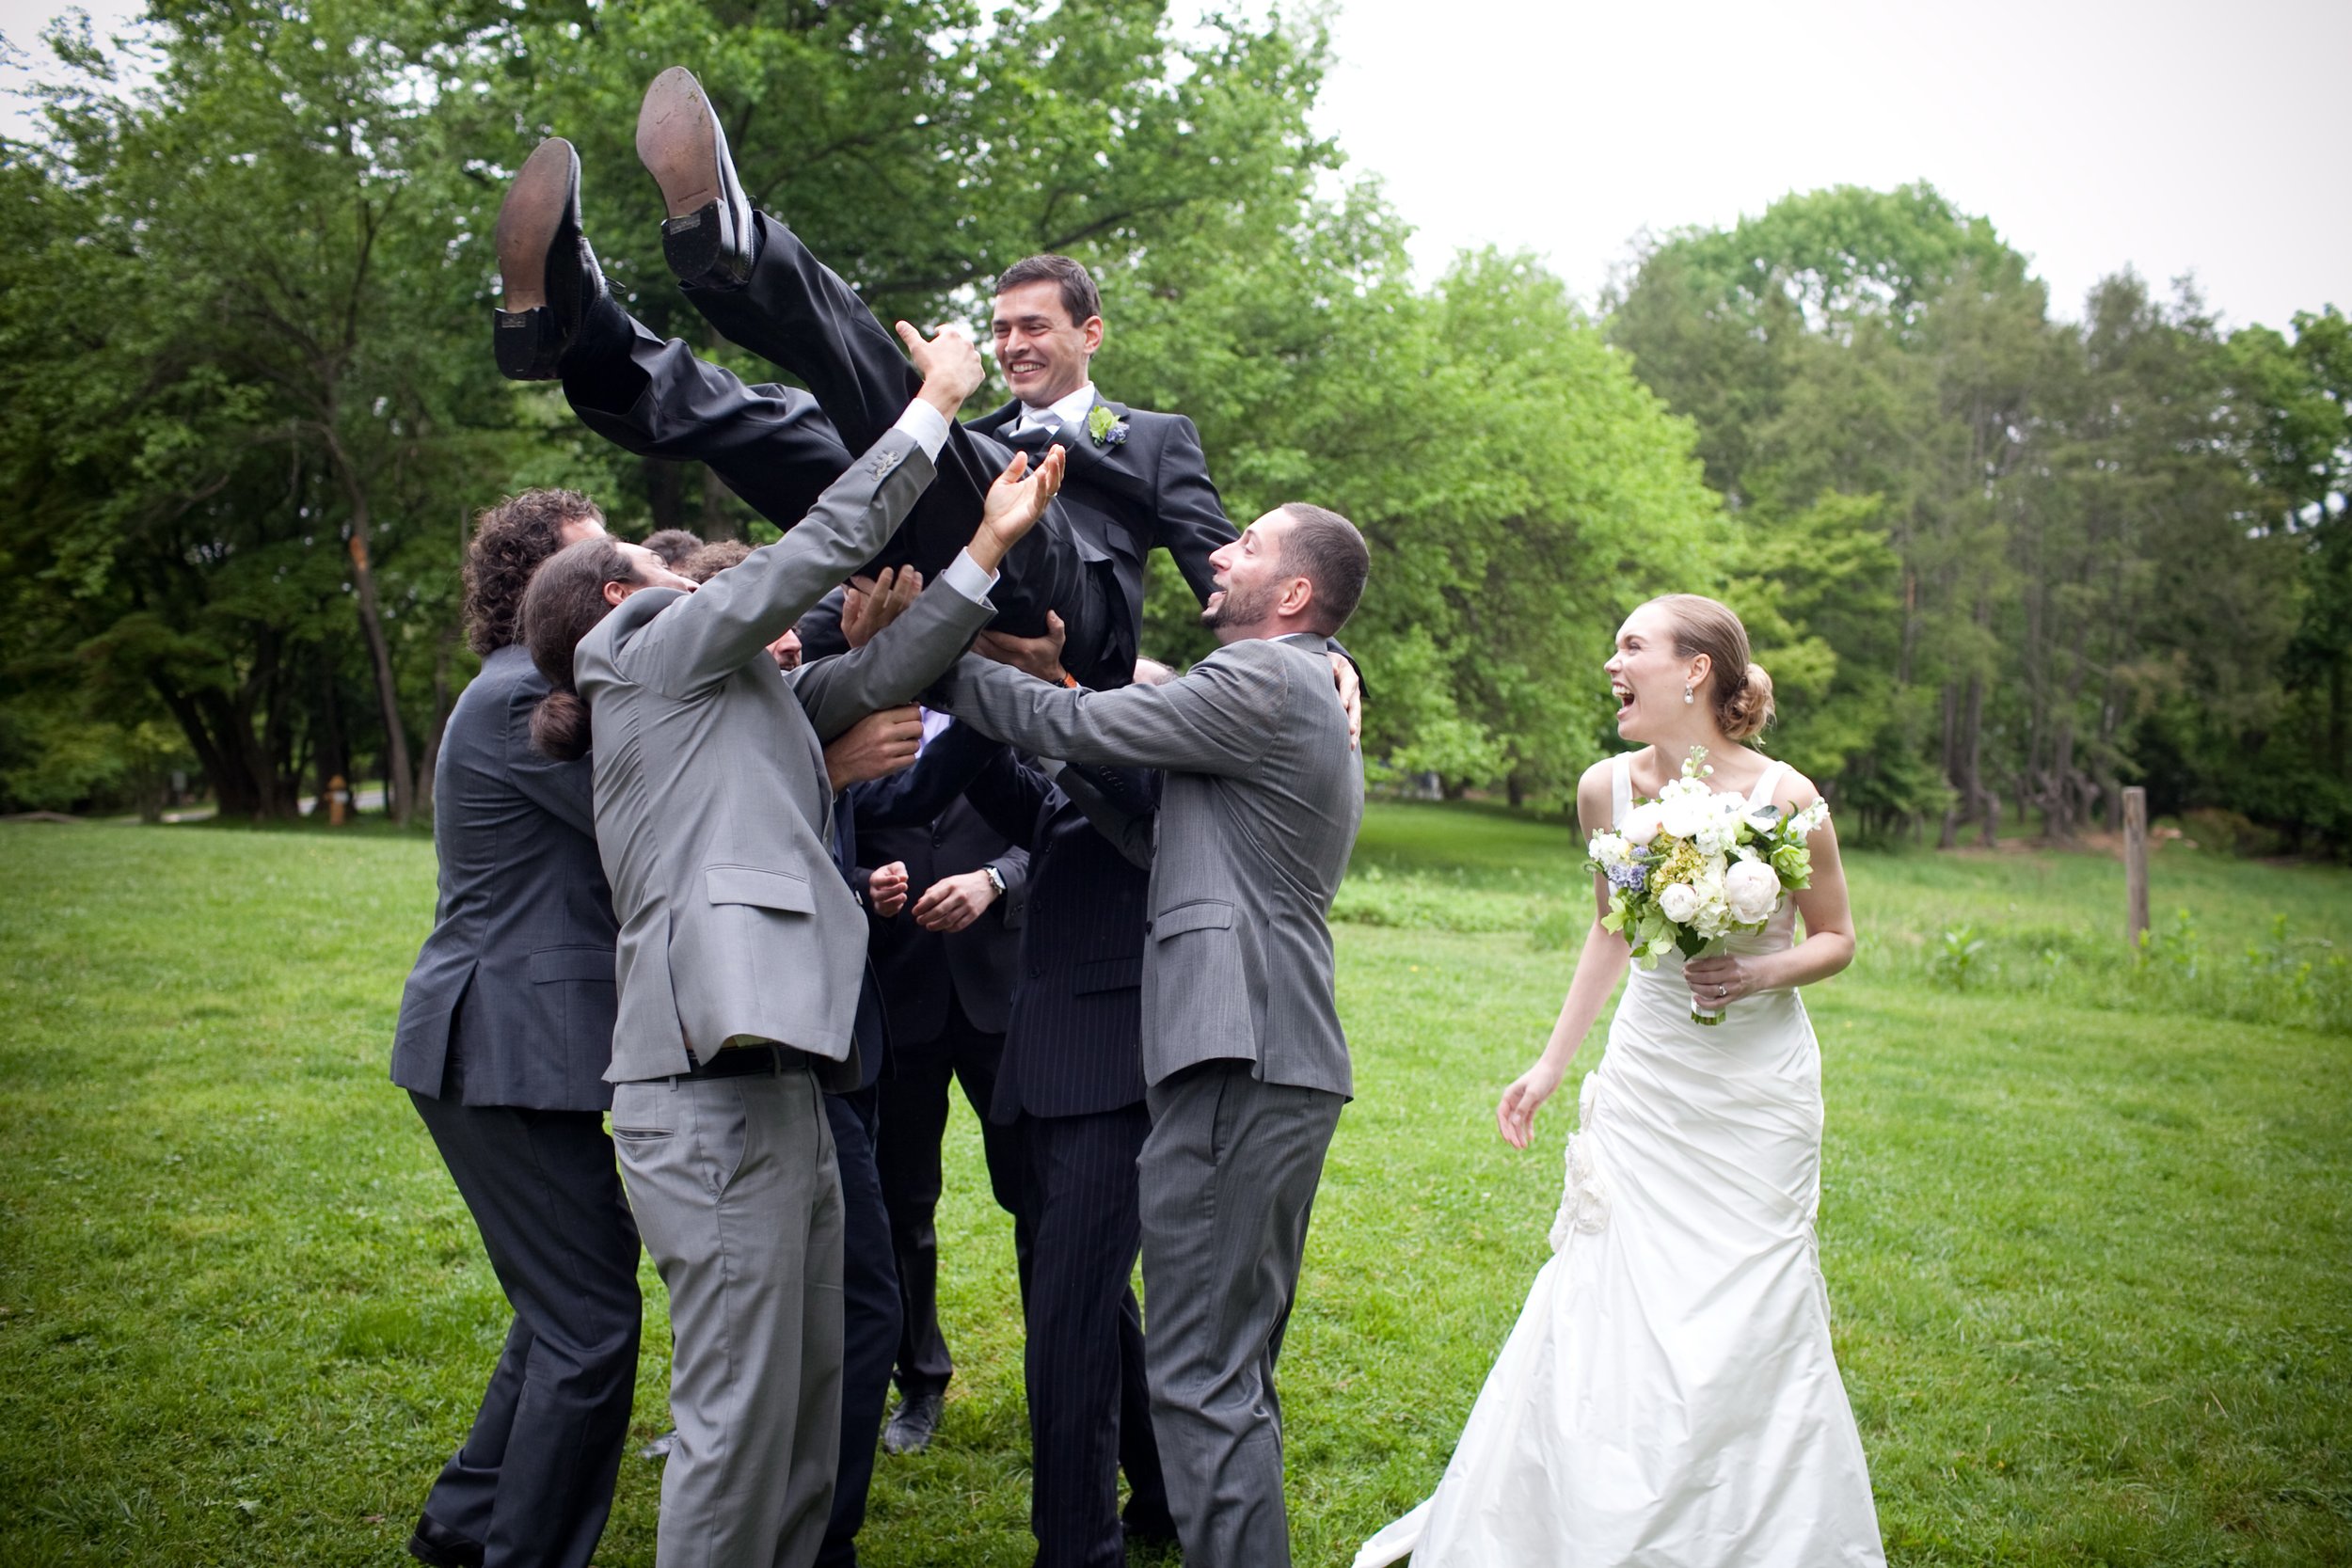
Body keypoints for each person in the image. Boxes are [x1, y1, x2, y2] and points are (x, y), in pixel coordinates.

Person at [518, 322, 1065, 1568]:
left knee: (812, 1395)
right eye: (667, 575)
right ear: (619, 601)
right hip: (705, 1091)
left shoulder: (737, 699)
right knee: (738, 1416)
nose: (701, 584)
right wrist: (926, 409)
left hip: (787, 1076)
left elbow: (893, 666)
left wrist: (986, 543)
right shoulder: (637, 657)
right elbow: (808, 552)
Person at [1353, 594, 1882, 1568]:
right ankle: (1583, 1511)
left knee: (1751, 1288)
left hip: (1754, 1084)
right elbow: (1609, 930)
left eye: (1632, 645)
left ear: (1696, 670)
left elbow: (1837, 937)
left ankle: (1756, 1528)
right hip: (1651, 1068)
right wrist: (1551, 1062)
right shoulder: (1605, 788)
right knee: (1612, 1280)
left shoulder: (1786, 794)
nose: (1612, 661)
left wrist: (1759, 969)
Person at [928, 502, 1371, 1568]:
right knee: (1226, 1373)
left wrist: (927, 643)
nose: (1218, 551)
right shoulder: (1295, 688)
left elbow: (1076, 730)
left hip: (1237, 1049)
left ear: (1297, 594)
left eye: (1249, 544)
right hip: (1268, 1054)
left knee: (1202, 1379)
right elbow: (1143, 824)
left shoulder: (1266, 677)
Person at [489, 80, 1236, 690]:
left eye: (1035, 327)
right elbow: (836, 576)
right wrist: (823, 640)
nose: (1012, 345)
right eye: (1002, 329)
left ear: (1090, 335)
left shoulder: (1159, 439)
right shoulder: (986, 437)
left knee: (918, 420)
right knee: (796, 424)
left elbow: (1225, 571)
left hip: (1072, 620)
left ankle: (746, 253)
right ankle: (590, 346)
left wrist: (1317, 655)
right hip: (948, 574)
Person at [388, 487, 640, 1568]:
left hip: (511, 1047)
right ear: (549, 586)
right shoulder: (514, 698)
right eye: (602, 569)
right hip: (496, 1046)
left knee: (564, 1298)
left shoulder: (539, 690)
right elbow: (645, 812)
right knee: (589, 1322)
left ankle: (466, 1515)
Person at [850, 711, 1032, 1460]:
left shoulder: (1009, 708)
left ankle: (1062, 1365)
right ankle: (920, 1378)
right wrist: (868, 885)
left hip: (1003, 995)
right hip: (900, 994)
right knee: (902, 1202)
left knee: (1041, 1197)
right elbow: (829, 829)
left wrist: (995, 881)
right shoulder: (863, 706)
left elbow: (1058, 824)